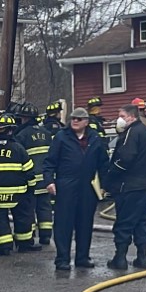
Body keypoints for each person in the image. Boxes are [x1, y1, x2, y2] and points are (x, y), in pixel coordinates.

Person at [43, 107, 109, 271]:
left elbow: (103, 164)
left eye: (79, 119)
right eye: (73, 118)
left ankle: (82, 257)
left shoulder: (95, 138)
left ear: (86, 122)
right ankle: (62, 259)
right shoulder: (61, 137)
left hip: (88, 187)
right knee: (63, 224)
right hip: (66, 186)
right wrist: (49, 181)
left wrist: (104, 186)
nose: (75, 121)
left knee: (85, 223)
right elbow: (49, 162)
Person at [0, 113, 40, 256]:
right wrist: (31, 189)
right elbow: (29, 172)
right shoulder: (19, 149)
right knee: (22, 218)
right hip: (17, 195)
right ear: (11, 130)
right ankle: (24, 244)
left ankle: (3, 247)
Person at [104, 103, 146, 270]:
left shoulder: (131, 133)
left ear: (132, 117)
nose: (119, 120)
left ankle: (120, 258)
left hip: (129, 186)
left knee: (124, 223)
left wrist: (109, 175)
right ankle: (143, 257)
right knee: (142, 222)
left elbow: (125, 159)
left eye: (122, 116)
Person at [13, 100, 54, 245]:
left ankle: (29, 235)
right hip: (46, 179)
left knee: (28, 209)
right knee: (45, 207)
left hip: (30, 180)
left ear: (25, 118)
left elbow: (18, 158)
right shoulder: (47, 133)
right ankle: (46, 235)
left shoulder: (21, 135)